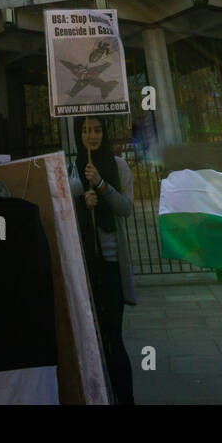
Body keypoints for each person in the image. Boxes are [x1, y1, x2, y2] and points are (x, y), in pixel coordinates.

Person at [69, 116, 135, 404]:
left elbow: (126, 209)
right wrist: (83, 202)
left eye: (96, 130)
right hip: (85, 265)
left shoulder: (118, 166)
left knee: (112, 338)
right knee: (91, 341)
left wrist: (102, 186)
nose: (91, 136)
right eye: (85, 130)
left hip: (110, 265)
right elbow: (65, 209)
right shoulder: (73, 168)